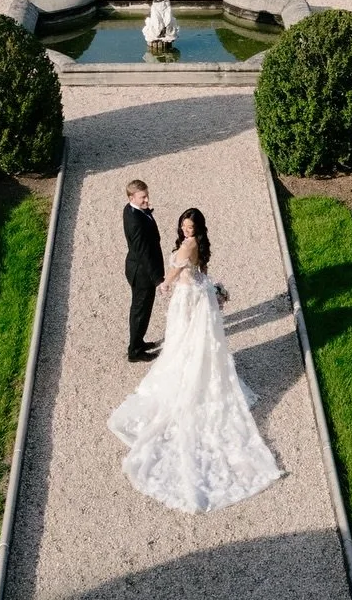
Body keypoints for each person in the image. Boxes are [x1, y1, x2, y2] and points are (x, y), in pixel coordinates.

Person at [108, 207, 282, 514]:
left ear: (196, 228)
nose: (186, 231)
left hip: (188, 300)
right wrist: (213, 290)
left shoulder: (189, 246)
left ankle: (189, 378)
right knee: (188, 343)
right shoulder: (196, 242)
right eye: (183, 226)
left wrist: (164, 283)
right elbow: (199, 272)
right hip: (195, 294)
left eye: (190, 227)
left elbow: (178, 270)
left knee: (185, 343)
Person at [122, 178, 163, 364]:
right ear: (132, 197)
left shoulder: (131, 209)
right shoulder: (135, 221)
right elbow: (144, 253)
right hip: (142, 273)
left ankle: (138, 341)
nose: (147, 200)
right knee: (141, 310)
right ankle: (135, 351)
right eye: (142, 197)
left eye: (147, 195)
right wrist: (157, 279)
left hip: (138, 268)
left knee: (141, 309)